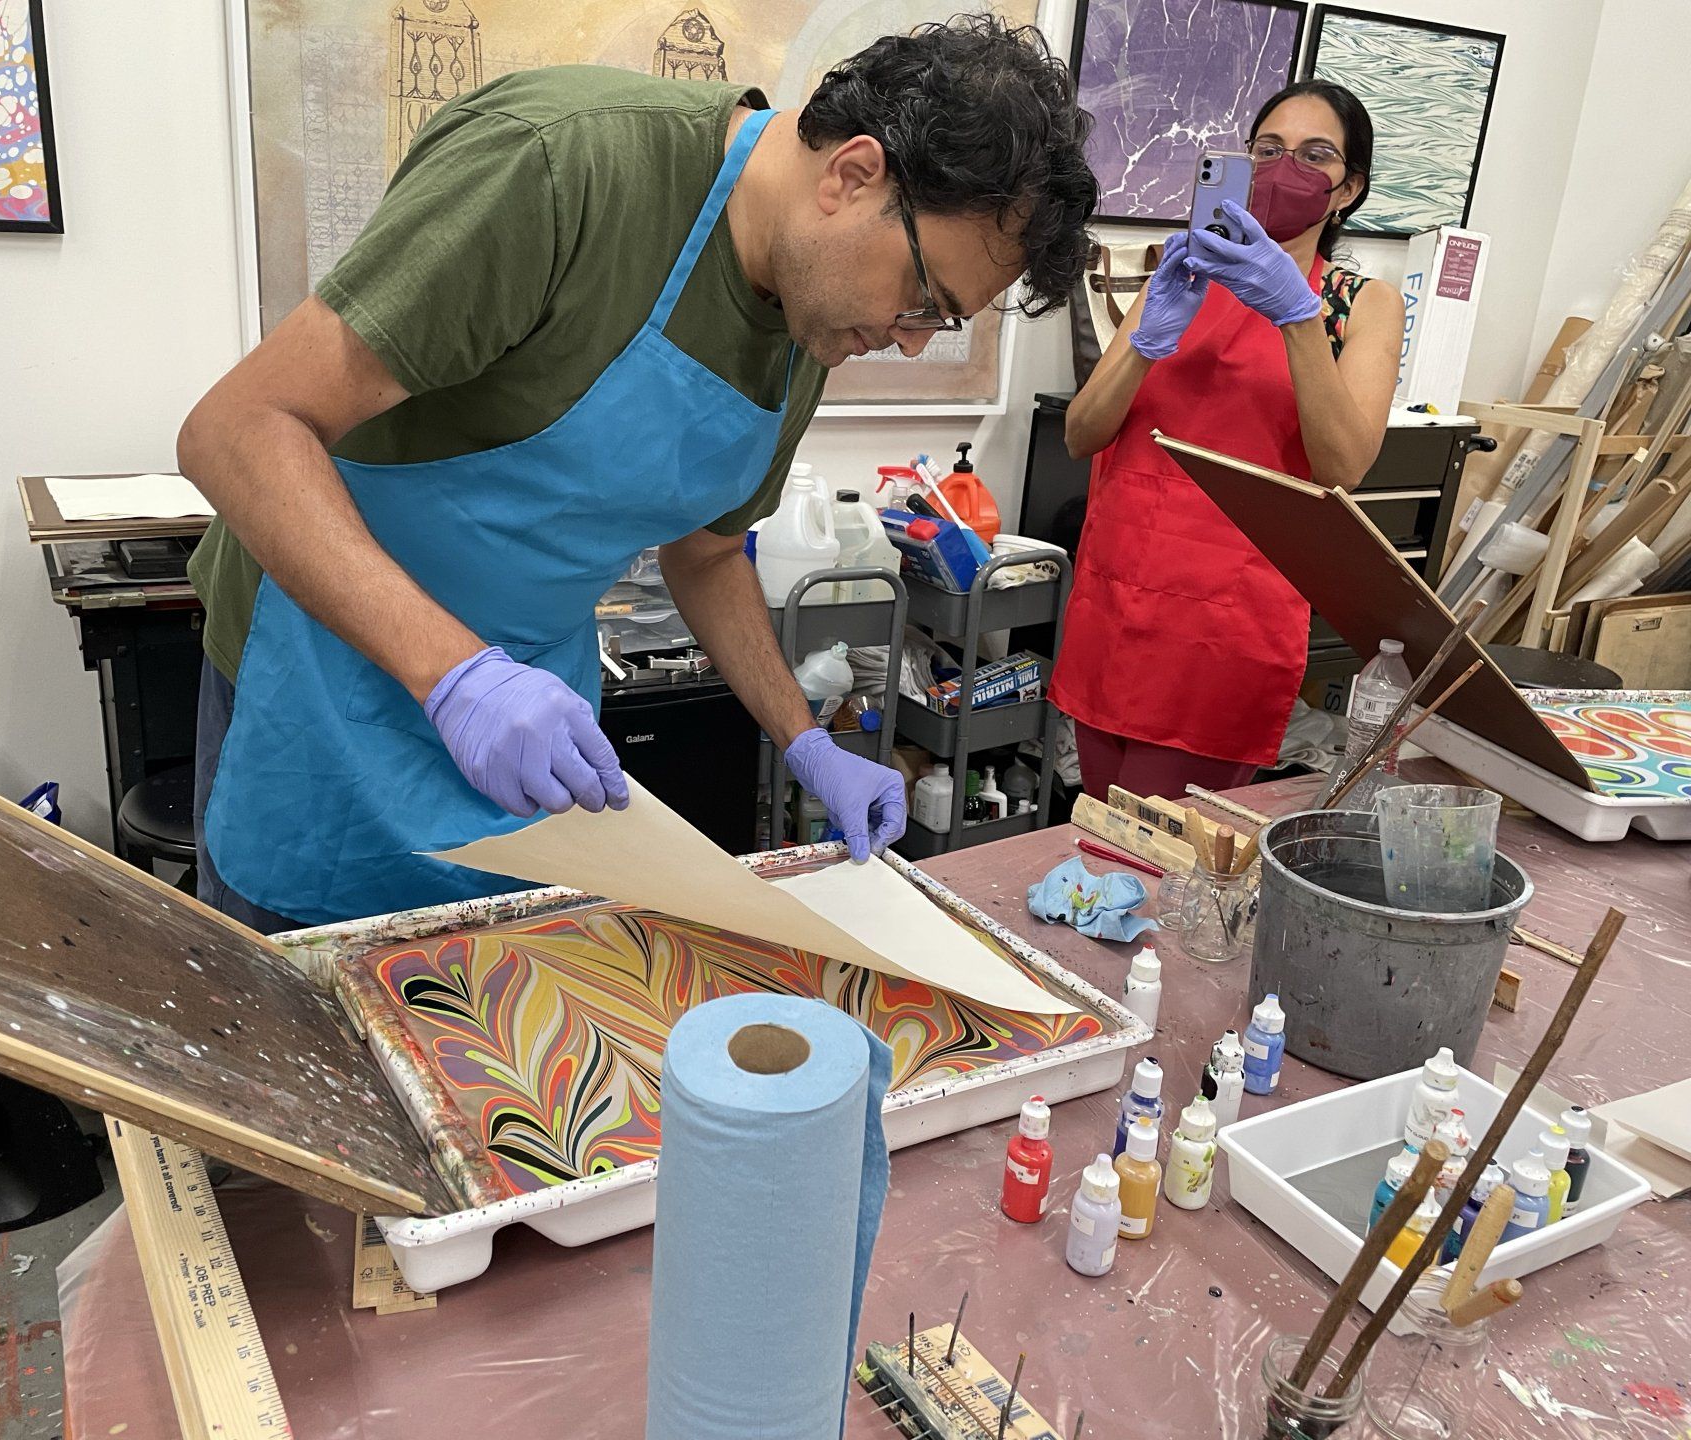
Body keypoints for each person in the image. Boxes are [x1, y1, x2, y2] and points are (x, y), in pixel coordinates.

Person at [178, 17, 1098, 932]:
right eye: (921, 300)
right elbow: (237, 429)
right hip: (327, 680)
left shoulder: (810, 316)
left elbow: (706, 557)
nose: (905, 339)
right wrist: (459, 677)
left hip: (532, 716)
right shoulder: (558, 166)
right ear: (851, 176)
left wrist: (806, 741)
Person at [1051, 80, 1400, 800]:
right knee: (1092, 840)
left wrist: (1298, 317)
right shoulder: (1177, 274)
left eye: (1315, 155)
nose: (1285, 168)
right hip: (1116, 607)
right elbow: (1082, 435)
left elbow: (1344, 469)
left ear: (1348, 189)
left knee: (1161, 862)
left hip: (1223, 630)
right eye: (1268, 150)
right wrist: (1146, 343)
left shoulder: (1358, 306)